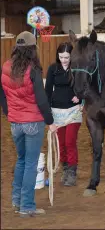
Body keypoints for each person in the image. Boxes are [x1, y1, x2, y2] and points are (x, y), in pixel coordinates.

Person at [1, 31, 57, 217]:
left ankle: (17, 201)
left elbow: (2, 96)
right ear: (33, 49)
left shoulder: (6, 67)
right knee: (30, 163)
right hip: (33, 122)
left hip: (15, 123)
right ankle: (27, 206)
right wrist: (50, 121)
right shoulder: (33, 70)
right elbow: (41, 100)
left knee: (21, 160)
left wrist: (10, 113)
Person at [45, 42, 82, 187]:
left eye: (67, 57)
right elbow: (47, 90)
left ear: (71, 56)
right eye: (61, 57)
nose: (64, 60)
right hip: (57, 112)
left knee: (70, 141)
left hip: (73, 111)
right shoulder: (53, 69)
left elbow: (85, 86)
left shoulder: (77, 69)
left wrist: (80, 96)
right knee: (61, 143)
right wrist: (48, 114)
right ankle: (65, 169)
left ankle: (72, 172)